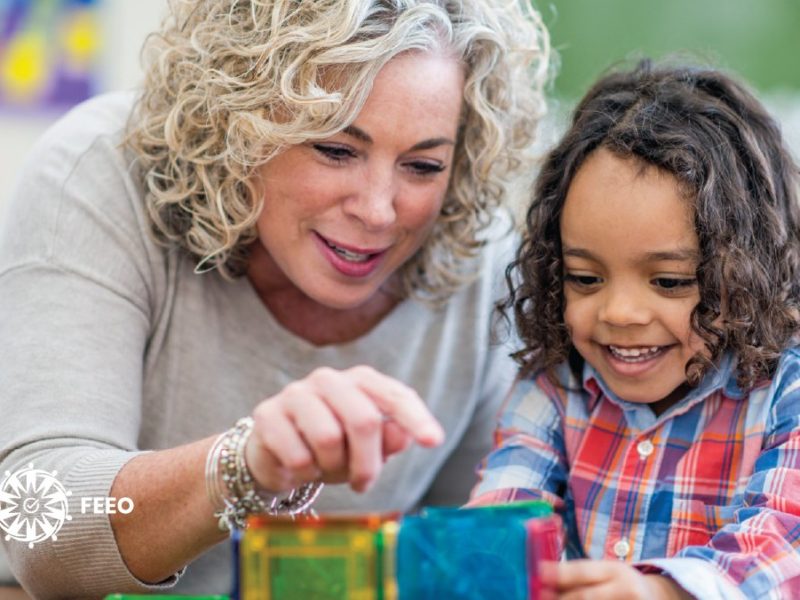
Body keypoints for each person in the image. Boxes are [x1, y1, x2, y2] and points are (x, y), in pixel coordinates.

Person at [0, 0, 549, 597]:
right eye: (336, 150)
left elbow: (477, 545)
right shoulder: (96, 174)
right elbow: (38, 526)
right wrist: (244, 468)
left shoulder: (476, 245)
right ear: (239, 121)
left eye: (422, 165)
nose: (377, 210)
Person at [470, 60, 800, 599]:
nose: (619, 312)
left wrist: (662, 593)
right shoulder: (558, 385)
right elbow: (505, 512)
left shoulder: (786, 392)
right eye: (585, 277)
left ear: (748, 272)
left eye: (669, 282)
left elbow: (783, 541)